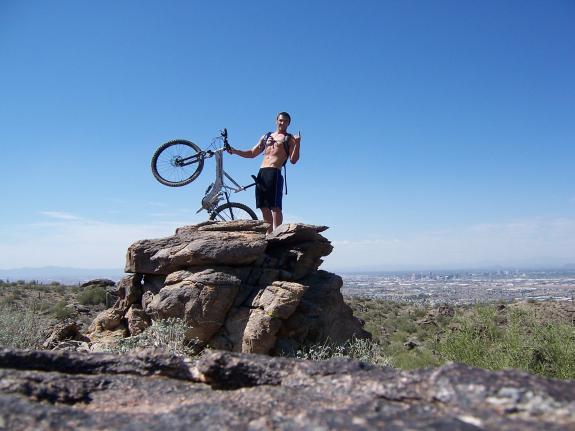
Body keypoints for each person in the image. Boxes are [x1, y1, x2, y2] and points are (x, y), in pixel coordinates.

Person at [227, 112, 301, 233]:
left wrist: (298, 143)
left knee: (275, 206)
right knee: (263, 205)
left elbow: (294, 160)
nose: (282, 123)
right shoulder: (266, 136)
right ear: (276, 121)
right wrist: (235, 151)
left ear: (289, 123)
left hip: (274, 172)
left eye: (286, 121)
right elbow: (252, 153)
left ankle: (278, 233)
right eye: (281, 120)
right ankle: (269, 233)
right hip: (262, 172)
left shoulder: (290, 138)